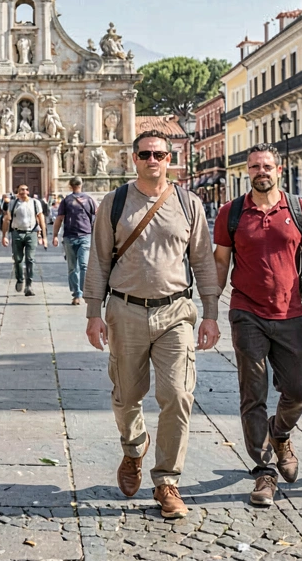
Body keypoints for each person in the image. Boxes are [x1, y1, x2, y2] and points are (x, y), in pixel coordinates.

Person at [82, 130, 221, 520]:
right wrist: (94, 311)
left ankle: (166, 481)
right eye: (145, 154)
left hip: (176, 312)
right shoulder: (115, 202)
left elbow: (203, 262)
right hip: (125, 311)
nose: (152, 159)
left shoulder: (188, 203)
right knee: (126, 396)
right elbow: (99, 260)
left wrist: (210, 311)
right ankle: (133, 447)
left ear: (169, 158)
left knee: (177, 395)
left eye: (159, 154)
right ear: (134, 159)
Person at [212, 144, 302, 507]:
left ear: (279, 169)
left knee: (298, 390)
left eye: (266, 166)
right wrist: (207, 312)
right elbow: (219, 263)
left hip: (291, 313)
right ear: (247, 171)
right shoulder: (230, 213)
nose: (260, 171)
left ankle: (280, 434)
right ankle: (264, 472)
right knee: (253, 394)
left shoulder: (300, 210)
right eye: (254, 167)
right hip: (246, 313)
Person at [52, 177, 97, 306]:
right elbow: (98, 217)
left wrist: (55, 235)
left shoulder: (67, 200)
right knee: (84, 266)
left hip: (71, 236)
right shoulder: (90, 199)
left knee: (73, 268)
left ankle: (78, 294)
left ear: (70, 185)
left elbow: (59, 219)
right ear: (81, 185)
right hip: (84, 235)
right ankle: (81, 293)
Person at [1, 185, 46, 295]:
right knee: (18, 259)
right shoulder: (13, 203)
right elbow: (7, 219)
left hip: (31, 233)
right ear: (18, 192)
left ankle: (29, 285)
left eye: (26, 190)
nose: (24, 192)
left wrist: (44, 236)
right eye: (22, 190)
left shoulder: (35, 203)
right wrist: (4, 235)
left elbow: (41, 219)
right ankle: (20, 279)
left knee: (30, 259)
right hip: (17, 233)